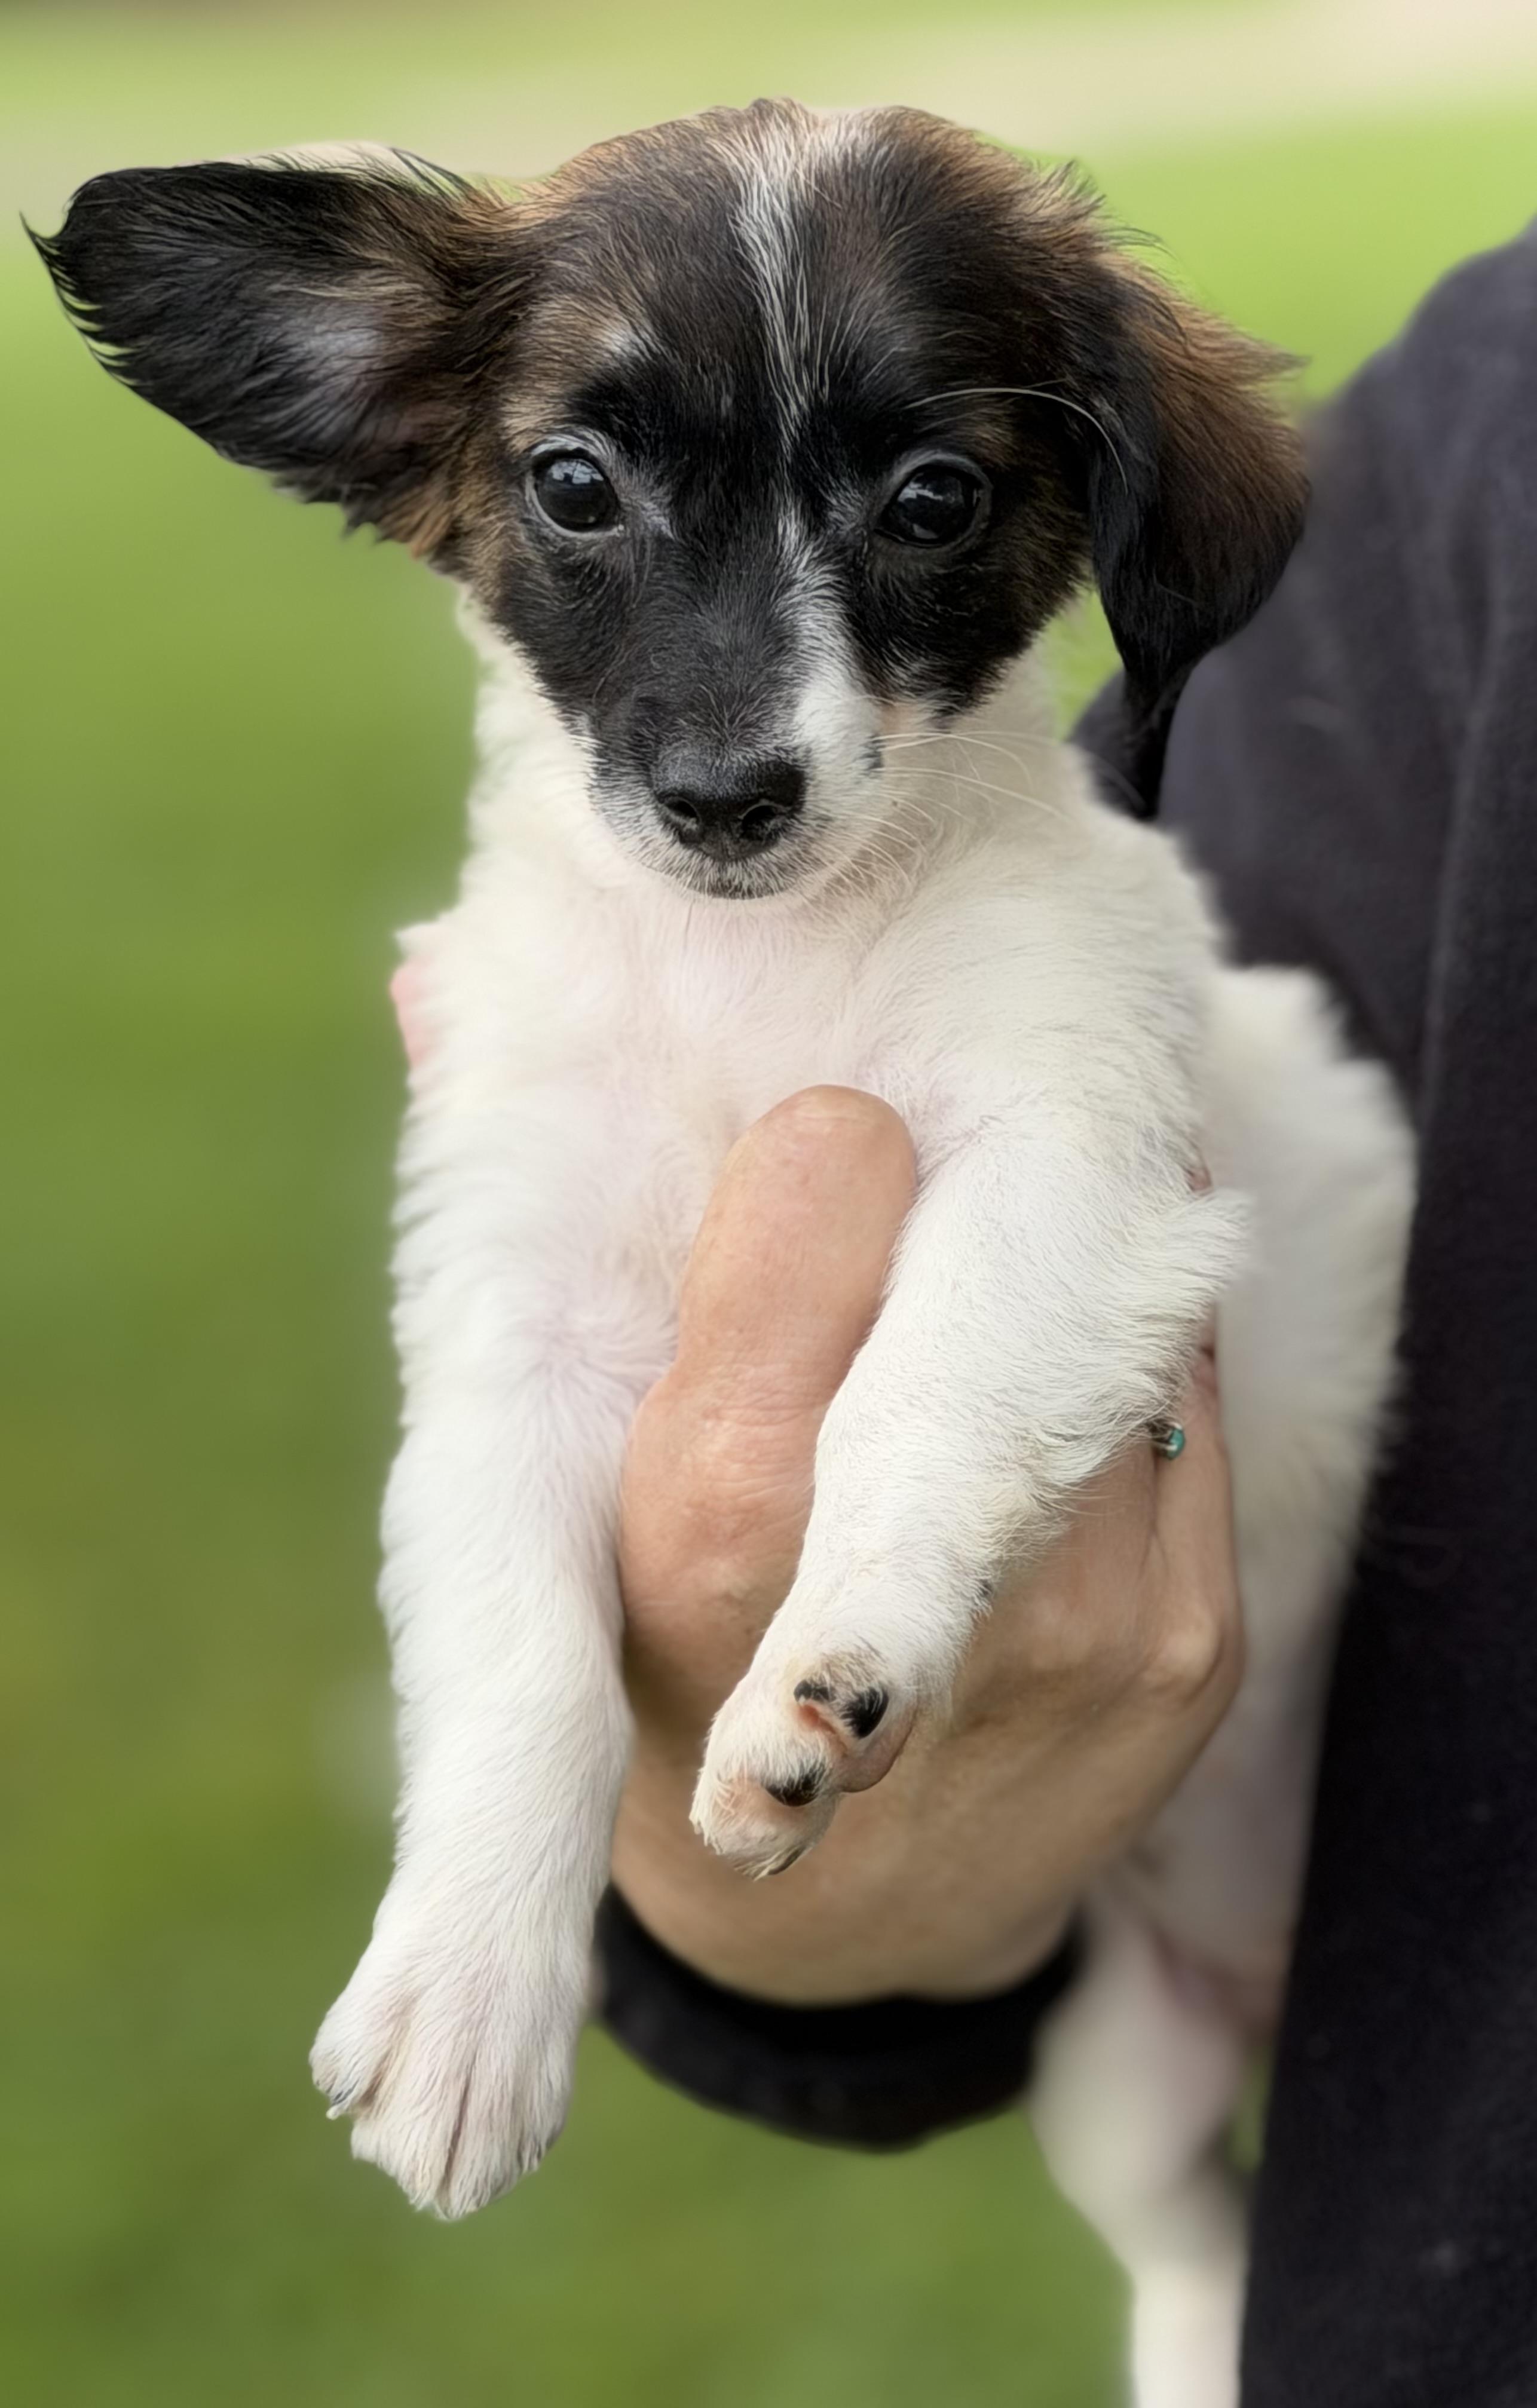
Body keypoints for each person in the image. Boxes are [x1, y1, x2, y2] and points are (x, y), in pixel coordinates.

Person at [593, 222, 1537, 2404]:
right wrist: (728, 1860)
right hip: (1311, 2025)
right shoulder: (1470, 456)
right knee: (1136, 2131)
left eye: (925, 503)